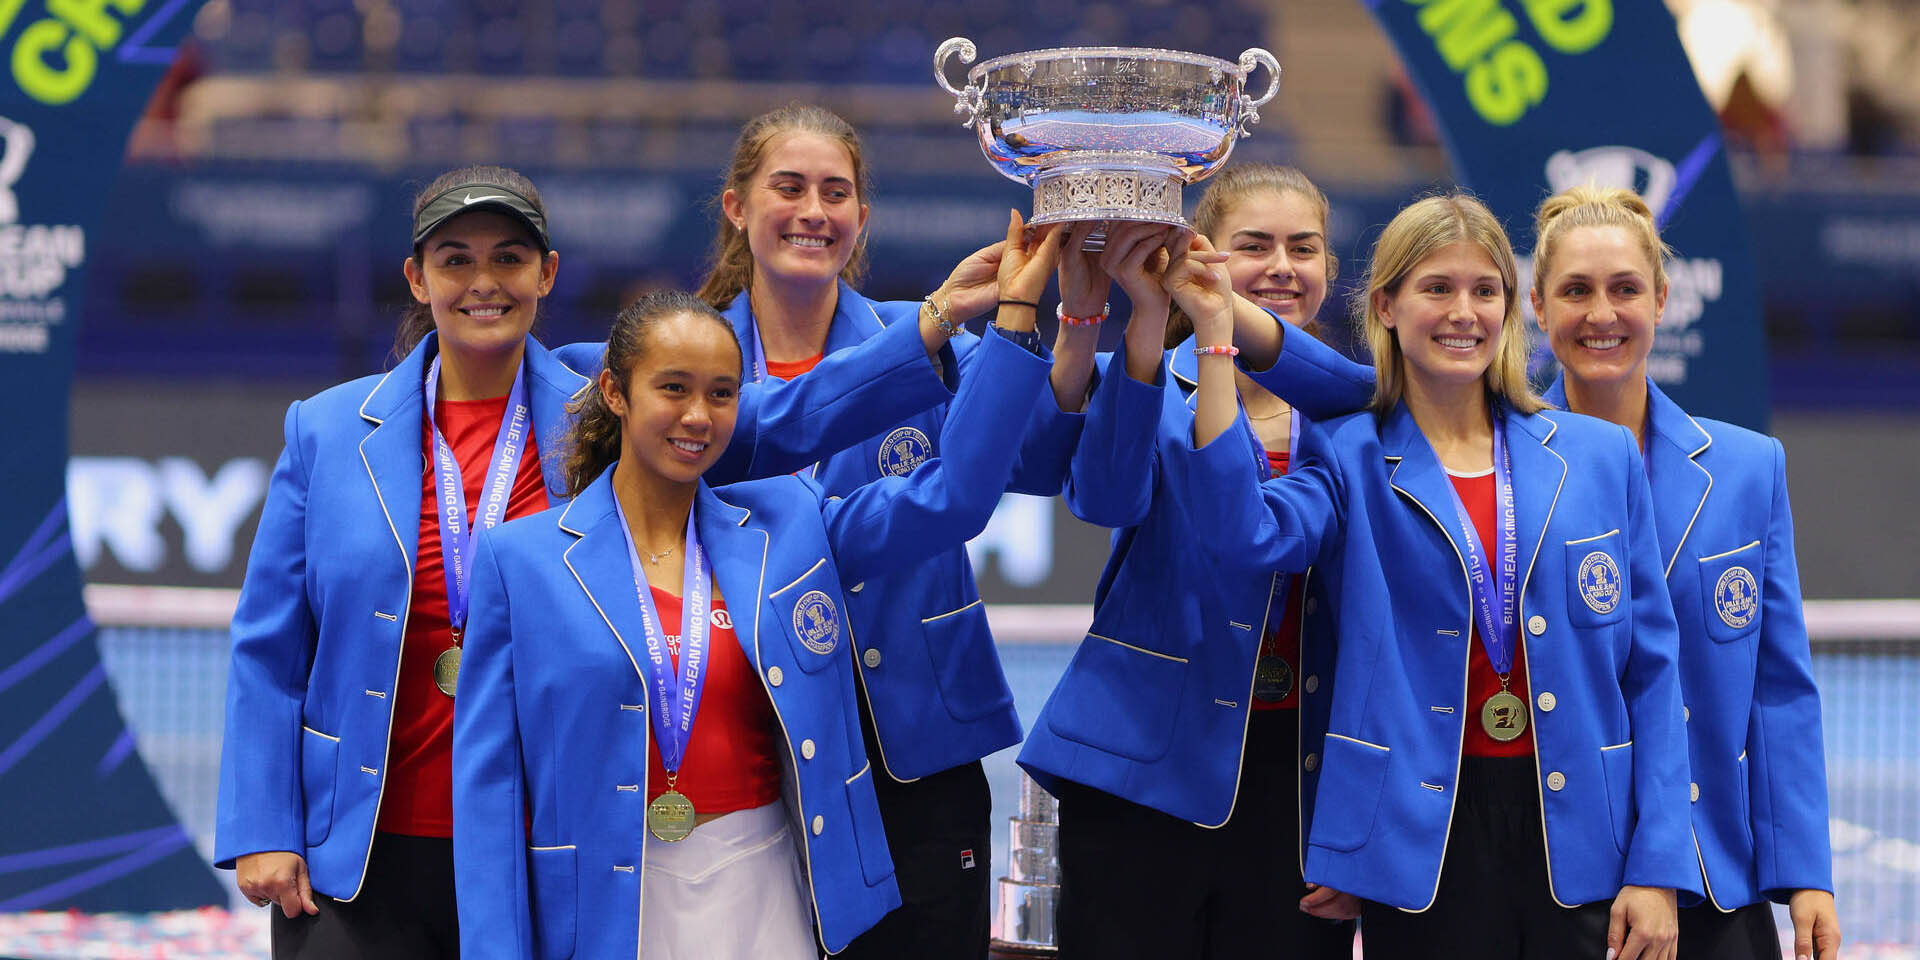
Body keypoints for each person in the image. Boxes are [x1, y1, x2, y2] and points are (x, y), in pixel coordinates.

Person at [213, 164, 989, 958]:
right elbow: (270, 645)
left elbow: (788, 415)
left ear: (546, 274)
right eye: (455, 260)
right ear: (417, 279)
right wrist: (266, 826)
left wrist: (931, 322)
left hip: (551, 845)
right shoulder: (328, 430)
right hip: (362, 849)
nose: (485, 282)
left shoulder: (609, 402)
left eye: (510, 258)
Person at [450, 220, 1058, 958]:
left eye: (722, 393)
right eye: (672, 388)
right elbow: (485, 794)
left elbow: (956, 496)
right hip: (602, 905)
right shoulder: (524, 561)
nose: (699, 416)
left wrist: (1017, 318)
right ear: (614, 391)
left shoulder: (788, 526)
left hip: (764, 890)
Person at [1175, 193, 1698, 959]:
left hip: (1586, 837)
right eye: (1437, 288)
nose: (1464, 312)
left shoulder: (1596, 457)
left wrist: (1659, 869)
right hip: (1422, 839)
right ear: (1385, 305)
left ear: (1512, 309)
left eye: (1485, 291)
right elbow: (1244, 536)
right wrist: (1216, 339)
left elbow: (1652, 675)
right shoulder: (1348, 452)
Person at [696, 103, 1092, 958]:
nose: (814, 211)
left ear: (862, 218)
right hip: (757, 733)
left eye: (836, 193)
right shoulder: (693, 362)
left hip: (916, 741)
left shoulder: (933, 336)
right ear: (736, 205)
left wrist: (1079, 317)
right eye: (788, 187)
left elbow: (1048, 454)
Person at [1016, 165, 1372, 959]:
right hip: (1143, 765)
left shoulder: (1357, 418)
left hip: (1300, 780)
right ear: (1204, 254)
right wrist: (1146, 312)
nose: (1282, 265)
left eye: (1303, 248)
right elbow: (1102, 499)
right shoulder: (1145, 381)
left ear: (1330, 274)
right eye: (1255, 245)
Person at [1530, 186, 1839, 960]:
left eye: (1625, 289)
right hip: (1561, 876)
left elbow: (1779, 690)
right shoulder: (1498, 468)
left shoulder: (1747, 469)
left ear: (1663, 300)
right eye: (1576, 291)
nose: (1602, 313)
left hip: (1713, 871)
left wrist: (1806, 873)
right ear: (1537, 306)